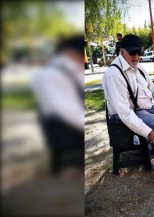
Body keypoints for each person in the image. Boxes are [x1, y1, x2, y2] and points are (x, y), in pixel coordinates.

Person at [102, 34, 154, 184]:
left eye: (139, 52)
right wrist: (148, 132)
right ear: (122, 51)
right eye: (132, 53)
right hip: (130, 114)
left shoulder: (139, 68)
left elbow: (152, 92)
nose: (136, 56)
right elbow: (125, 113)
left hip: (147, 108)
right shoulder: (114, 75)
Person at [32, 35, 85, 176]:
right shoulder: (50, 74)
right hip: (59, 126)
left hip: (65, 120)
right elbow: (65, 110)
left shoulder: (69, 69)